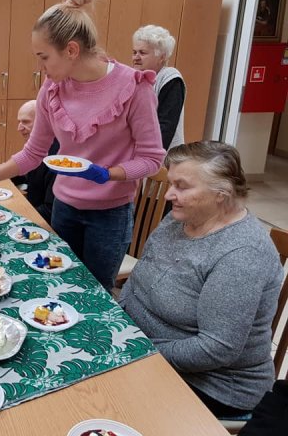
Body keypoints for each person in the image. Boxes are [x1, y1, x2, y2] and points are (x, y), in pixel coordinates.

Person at [0, 0, 165, 290]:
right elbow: (33, 153)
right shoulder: (52, 89)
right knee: (58, 286)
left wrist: (107, 174)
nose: (41, 68)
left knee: (96, 294)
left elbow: (152, 159)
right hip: (65, 208)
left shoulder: (133, 86)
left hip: (109, 216)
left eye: (44, 57)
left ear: (72, 50)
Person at [119, 141, 283, 418]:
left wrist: (137, 350)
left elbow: (215, 349)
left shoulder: (241, 255)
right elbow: (139, 279)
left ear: (222, 193)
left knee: (97, 398)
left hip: (211, 385)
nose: (169, 194)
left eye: (182, 186)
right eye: (170, 183)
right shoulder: (182, 217)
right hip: (145, 346)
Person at [132, 25, 185, 150]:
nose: (136, 57)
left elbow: (166, 126)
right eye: (134, 52)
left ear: (161, 57)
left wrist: (149, 154)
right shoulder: (133, 77)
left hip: (160, 155)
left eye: (142, 53)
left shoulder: (170, 78)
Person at [15, 100, 58, 222]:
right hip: (35, 211)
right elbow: (26, 174)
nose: (19, 128)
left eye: (25, 122)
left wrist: (17, 217)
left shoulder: (55, 157)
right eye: (19, 122)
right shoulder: (39, 148)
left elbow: (50, 209)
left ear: (44, 122)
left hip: (46, 225)